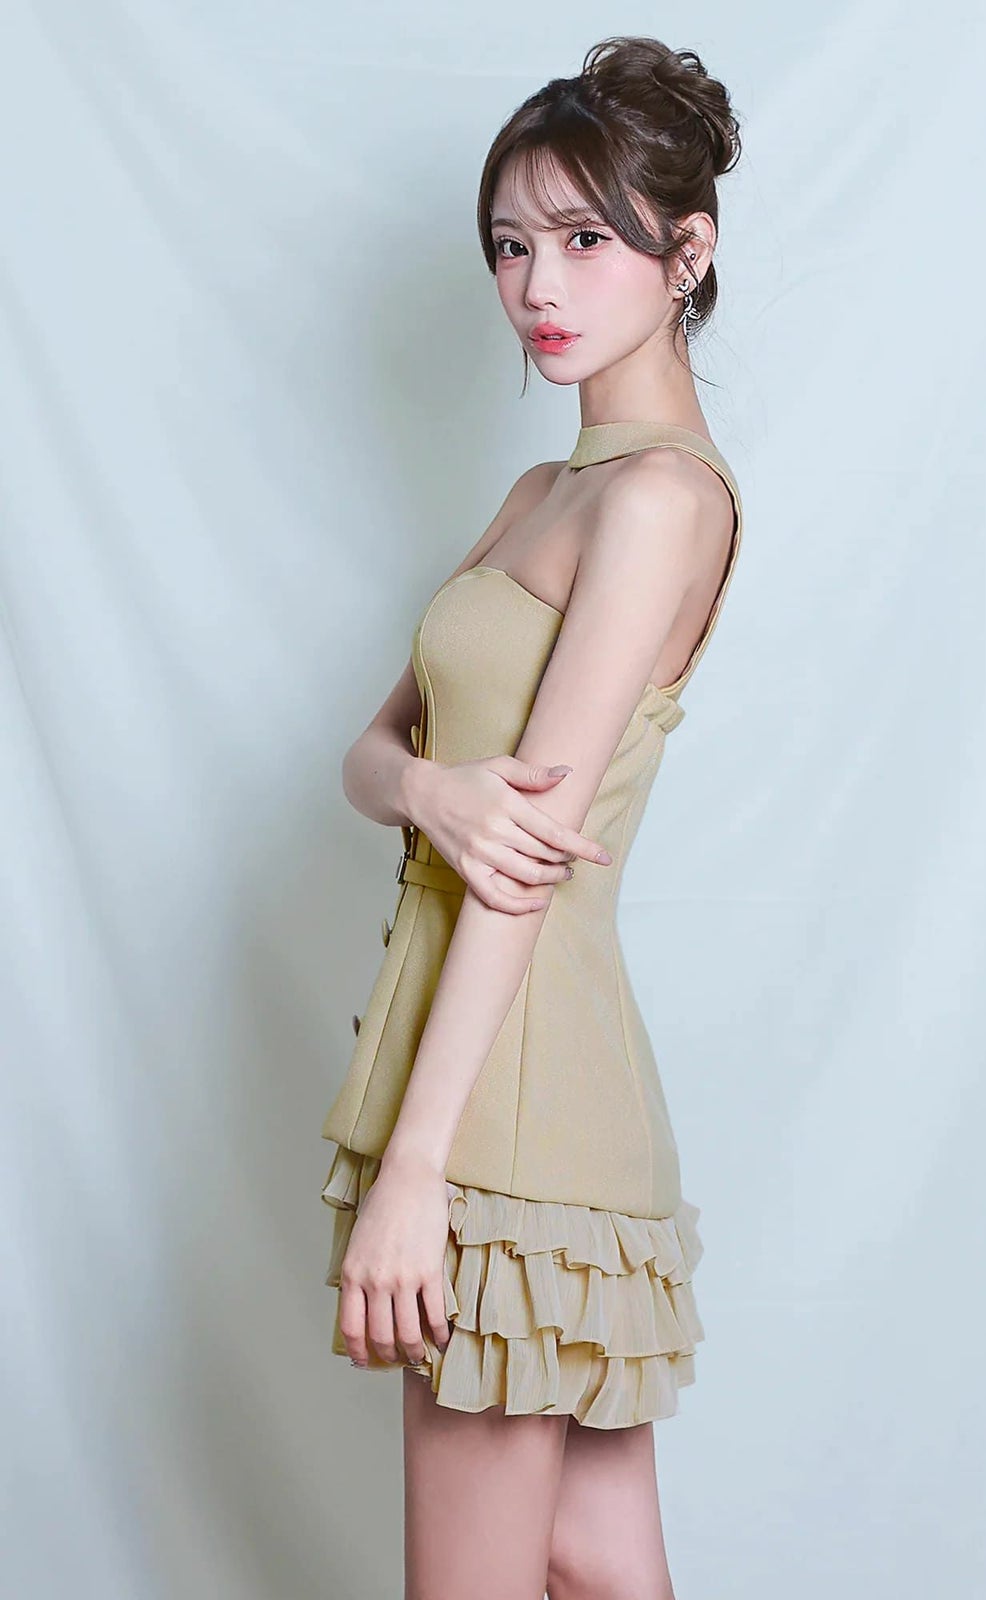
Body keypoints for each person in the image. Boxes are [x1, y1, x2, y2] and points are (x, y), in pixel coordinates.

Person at [318, 35, 745, 1600]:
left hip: (507, 1110)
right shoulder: (538, 496)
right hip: (512, 1089)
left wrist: (417, 1170)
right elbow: (372, 756)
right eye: (510, 246)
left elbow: (526, 872)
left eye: (583, 238)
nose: (537, 285)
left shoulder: (660, 502)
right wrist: (429, 787)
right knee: (596, 1568)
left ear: (686, 252)